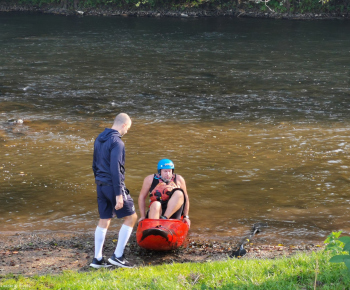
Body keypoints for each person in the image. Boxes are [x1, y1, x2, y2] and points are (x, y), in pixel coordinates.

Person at [90, 113, 137, 269]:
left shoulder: (98, 138)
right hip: (113, 185)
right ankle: (118, 256)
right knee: (131, 217)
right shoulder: (117, 143)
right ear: (123, 125)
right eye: (128, 128)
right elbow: (115, 169)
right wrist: (118, 194)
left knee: (104, 218)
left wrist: (99, 182)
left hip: (100, 185)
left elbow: (94, 165)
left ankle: (97, 259)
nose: (127, 131)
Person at [138, 159, 190, 228]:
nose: (168, 174)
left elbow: (186, 198)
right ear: (160, 171)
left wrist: (186, 216)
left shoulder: (179, 179)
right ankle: (153, 227)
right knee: (156, 204)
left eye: (170, 171)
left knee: (179, 193)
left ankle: (164, 219)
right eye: (165, 171)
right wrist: (142, 216)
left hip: (173, 211)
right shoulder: (149, 179)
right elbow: (142, 197)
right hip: (156, 210)